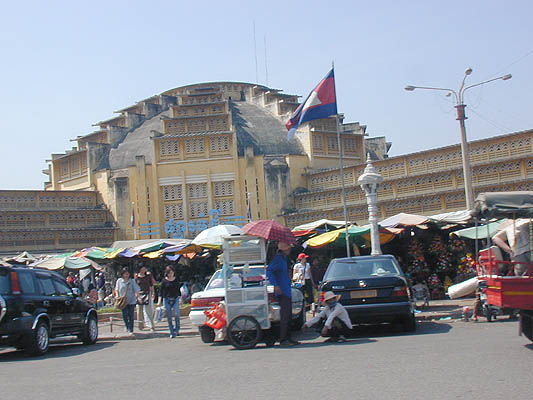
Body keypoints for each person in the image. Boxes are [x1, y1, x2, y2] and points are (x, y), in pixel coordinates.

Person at [267, 241, 299, 346]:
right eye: (288, 248)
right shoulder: (279, 258)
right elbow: (269, 271)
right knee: (285, 316)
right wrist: (275, 285)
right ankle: (283, 339)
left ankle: (288, 338)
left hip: (286, 290)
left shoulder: (284, 259)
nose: (290, 250)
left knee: (288, 316)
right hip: (282, 290)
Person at [114, 268, 141, 335]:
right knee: (125, 314)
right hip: (123, 301)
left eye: (128, 274)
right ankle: (127, 326)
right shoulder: (119, 281)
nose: (126, 275)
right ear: (122, 274)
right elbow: (117, 289)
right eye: (125, 274)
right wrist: (117, 296)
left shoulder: (132, 281)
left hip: (131, 300)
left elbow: (136, 289)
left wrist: (137, 296)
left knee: (131, 315)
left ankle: (131, 329)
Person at [158, 266, 181, 338]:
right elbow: (161, 292)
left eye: (172, 273)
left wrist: (180, 298)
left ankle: (177, 329)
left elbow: (178, 290)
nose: (171, 274)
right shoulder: (164, 281)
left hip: (175, 298)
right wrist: (159, 301)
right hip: (166, 299)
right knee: (169, 317)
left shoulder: (176, 280)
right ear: (167, 273)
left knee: (177, 314)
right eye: (169, 273)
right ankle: (171, 332)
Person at [136, 266, 156, 331]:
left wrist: (153, 293)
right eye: (142, 269)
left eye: (144, 269)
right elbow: (135, 287)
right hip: (139, 294)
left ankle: (151, 326)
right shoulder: (136, 277)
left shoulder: (148, 276)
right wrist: (137, 296)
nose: (143, 270)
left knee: (149, 310)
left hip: (147, 293)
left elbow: (151, 285)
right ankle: (140, 325)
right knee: (139, 311)